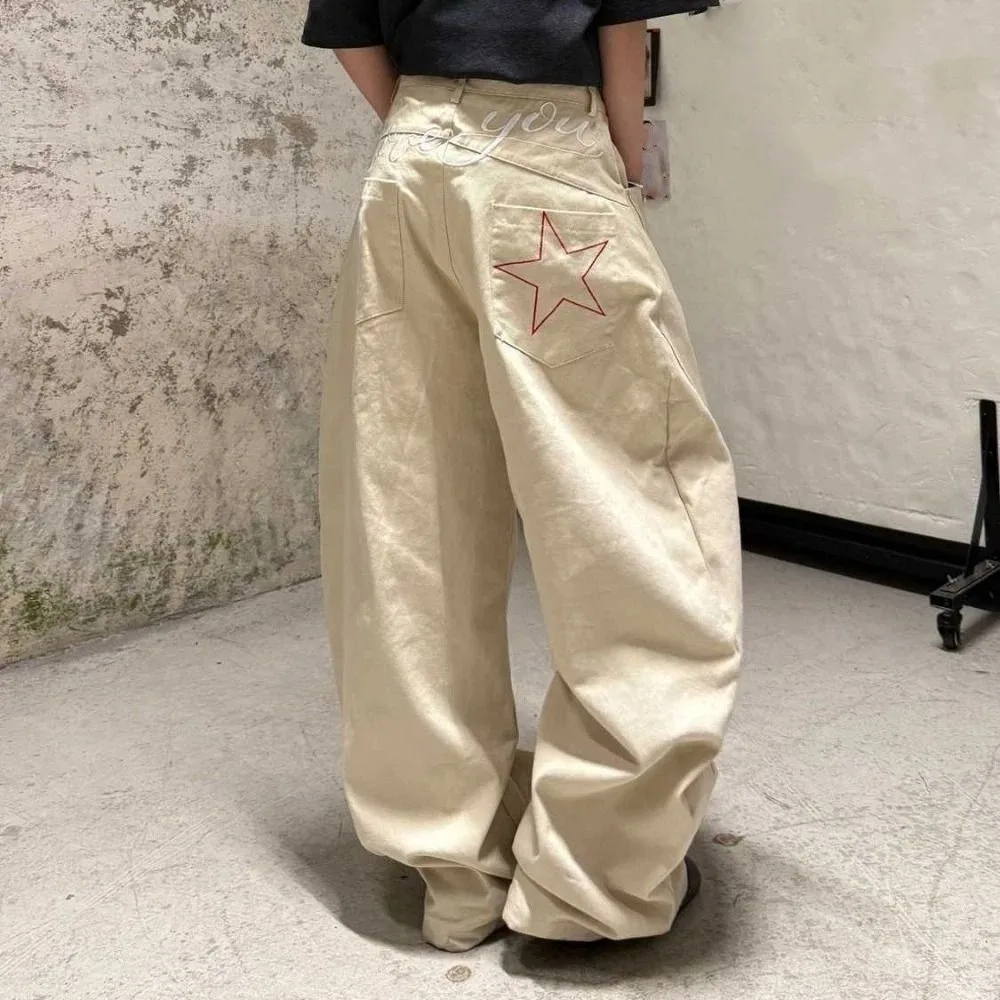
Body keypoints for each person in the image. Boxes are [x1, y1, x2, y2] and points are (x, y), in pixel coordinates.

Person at [302, 0, 743, 953]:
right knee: (633, 506)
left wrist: (432, 128)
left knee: (410, 510)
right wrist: (621, 162)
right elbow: (622, 28)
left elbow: (349, 27)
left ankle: (456, 869)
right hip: (547, 161)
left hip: (411, 165)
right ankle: (598, 881)